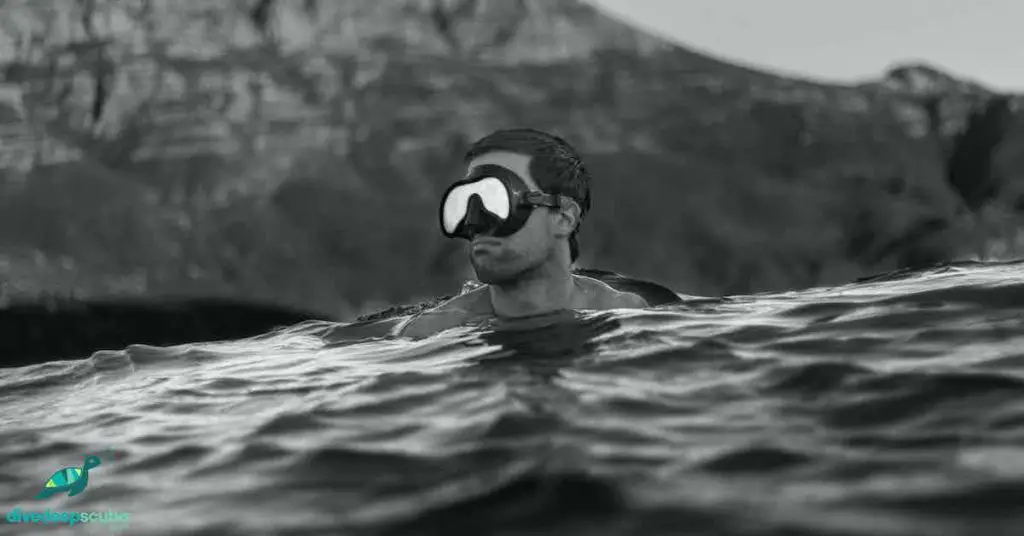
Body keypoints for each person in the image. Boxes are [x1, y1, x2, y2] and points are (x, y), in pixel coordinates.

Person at [396, 128, 648, 338]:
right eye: (463, 203)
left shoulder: (626, 313)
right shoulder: (428, 333)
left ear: (563, 217)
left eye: (496, 198)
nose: (474, 221)